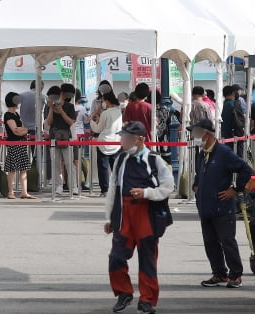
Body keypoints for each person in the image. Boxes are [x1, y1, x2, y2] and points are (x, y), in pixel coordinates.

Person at [104, 121, 174, 314]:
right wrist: (109, 218)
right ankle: (123, 293)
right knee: (116, 257)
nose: (122, 141)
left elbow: (168, 186)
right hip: (124, 214)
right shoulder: (120, 159)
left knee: (148, 259)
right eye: (122, 137)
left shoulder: (154, 160)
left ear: (140, 139)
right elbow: (112, 189)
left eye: (126, 138)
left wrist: (146, 193)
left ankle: (147, 300)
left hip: (146, 214)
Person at [188, 118, 253, 289]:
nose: (193, 136)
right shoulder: (202, 152)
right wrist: (196, 184)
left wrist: (236, 189)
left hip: (222, 207)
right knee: (210, 242)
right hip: (205, 206)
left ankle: (235, 274)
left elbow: (245, 169)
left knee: (227, 241)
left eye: (196, 133)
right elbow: (200, 172)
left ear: (206, 134)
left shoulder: (223, 152)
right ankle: (219, 273)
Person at [3, 92, 36, 199]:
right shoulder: (8, 115)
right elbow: (15, 131)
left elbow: (22, 129)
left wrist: (23, 130)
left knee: (23, 169)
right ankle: (10, 192)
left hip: (20, 143)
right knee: (12, 169)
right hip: (14, 144)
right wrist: (24, 130)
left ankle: (24, 192)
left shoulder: (16, 114)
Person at [45, 83, 77, 194]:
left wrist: (62, 112)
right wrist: (51, 109)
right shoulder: (49, 106)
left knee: (69, 163)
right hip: (53, 137)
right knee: (55, 164)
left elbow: (71, 122)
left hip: (66, 137)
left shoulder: (69, 106)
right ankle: (58, 186)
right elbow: (48, 123)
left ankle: (73, 186)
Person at [90, 91, 122, 196]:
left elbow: (99, 129)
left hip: (104, 143)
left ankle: (105, 190)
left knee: (103, 167)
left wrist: (92, 122)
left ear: (107, 101)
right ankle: (118, 188)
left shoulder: (105, 113)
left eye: (103, 101)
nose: (102, 103)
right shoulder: (118, 112)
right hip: (116, 142)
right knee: (116, 167)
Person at [221, 85, 245, 156]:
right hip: (237, 131)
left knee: (230, 153)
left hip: (230, 133)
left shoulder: (227, 104)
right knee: (238, 152)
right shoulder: (234, 104)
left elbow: (226, 121)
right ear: (233, 93)